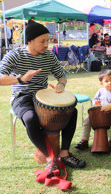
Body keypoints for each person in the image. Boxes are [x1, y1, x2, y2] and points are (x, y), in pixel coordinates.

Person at [0, 19, 86, 177]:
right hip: (22, 96)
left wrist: (61, 84)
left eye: (48, 40)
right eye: (42, 41)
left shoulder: (48, 56)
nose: (47, 45)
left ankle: (64, 153)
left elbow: (62, 76)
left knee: (71, 112)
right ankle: (50, 158)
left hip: (42, 96)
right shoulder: (15, 55)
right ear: (30, 41)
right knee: (30, 118)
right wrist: (21, 79)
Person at [75, 69, 111, 152]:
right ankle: (84, 140)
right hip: (99, 114)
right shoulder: (100, 91)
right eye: (106, 81)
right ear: (102, 83)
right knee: (87, 119)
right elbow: (95, 99)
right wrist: (96, 102)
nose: (109, 83)